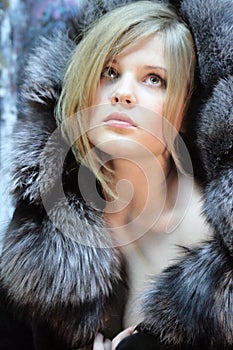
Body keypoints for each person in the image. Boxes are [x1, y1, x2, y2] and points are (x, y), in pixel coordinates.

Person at [0, 1, 219, 350]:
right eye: (110, 72)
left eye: (154, 79)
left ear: (183, 109)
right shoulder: (44, 225)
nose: (122, 93)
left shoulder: (213, 238)